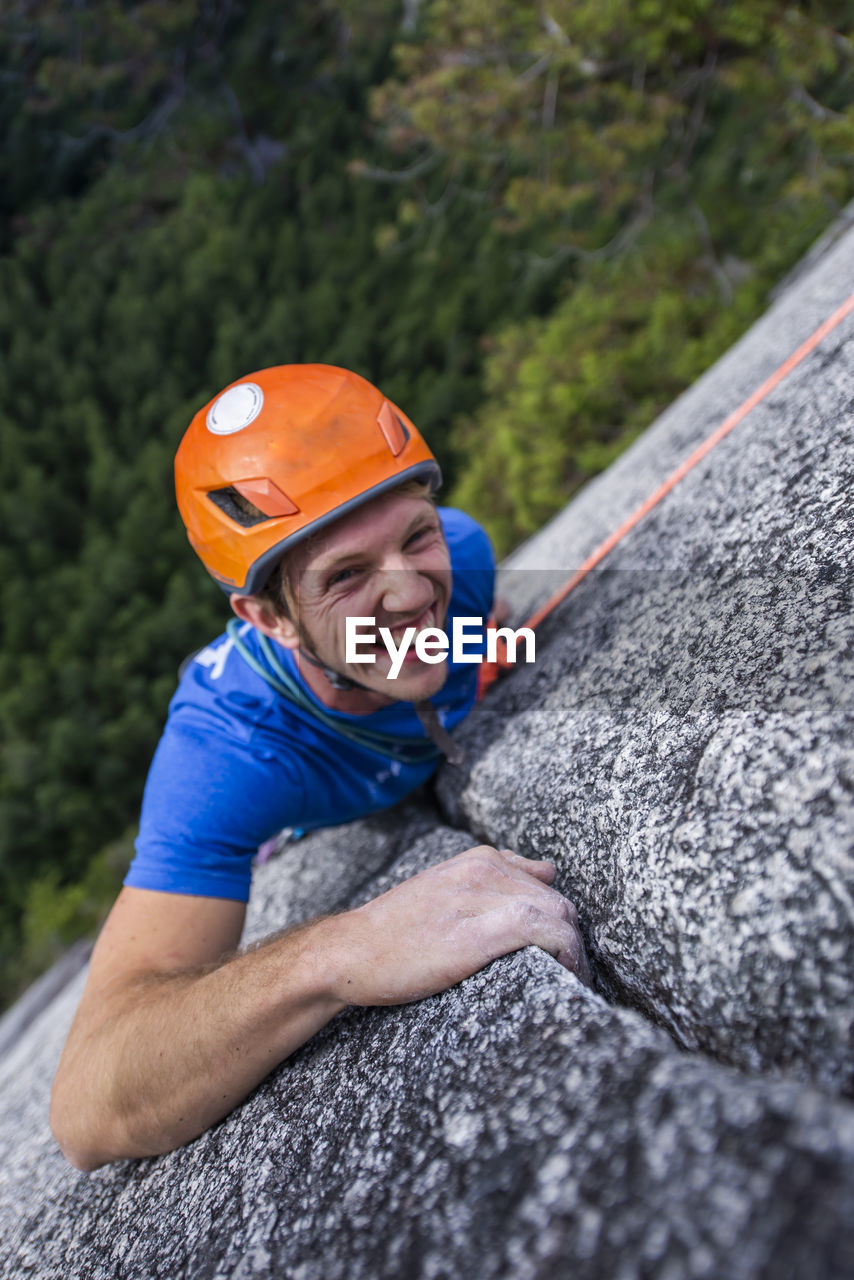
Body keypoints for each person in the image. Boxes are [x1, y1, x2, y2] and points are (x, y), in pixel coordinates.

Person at [50, 364, 590, 1172]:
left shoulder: (465, 560)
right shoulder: (229, 752)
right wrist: (343, 953)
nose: (410, 592)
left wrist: (490, 647)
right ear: (269, 618)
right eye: (345, 576)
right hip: (293, 803)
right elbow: (88, 1103)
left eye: (416, 533)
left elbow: (469, 616)